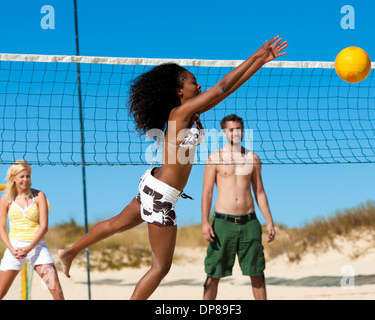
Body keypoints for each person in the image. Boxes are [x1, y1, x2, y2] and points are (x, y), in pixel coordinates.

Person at [58, 36, 287, 300]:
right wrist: (256, 55)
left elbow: (228, 89)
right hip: (162, 196)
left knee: (115, 224)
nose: (199, 84)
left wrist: (260, 62)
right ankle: (72, 253)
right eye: (192, 81)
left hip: (154, 185)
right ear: (179, 91)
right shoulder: (180, 114)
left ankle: (70, 251)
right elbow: (222, 87)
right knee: (159, 268)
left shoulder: (191, 112)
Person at [201, 114, 276, 300]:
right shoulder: (214, 158)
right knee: (214, 274)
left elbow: (260, 192)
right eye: (231, 130)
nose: (236, 133)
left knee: (257, 273)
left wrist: (269, 221)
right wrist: (204, 222)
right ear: (224, 132)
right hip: (223, 223)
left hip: (249, 222)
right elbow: (207, 193)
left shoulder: (253, 158)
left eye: (239, 129)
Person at [0, 159, 64, 300]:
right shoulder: (5, 199)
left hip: (37, 248)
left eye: (28, 176)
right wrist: (12, 250)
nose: (26, 179)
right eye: (22, 176)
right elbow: (1, 228)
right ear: (14, 178)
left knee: (56, 290)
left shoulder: (39, 196)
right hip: (15, 249)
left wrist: (29, 248)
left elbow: (44, 227)